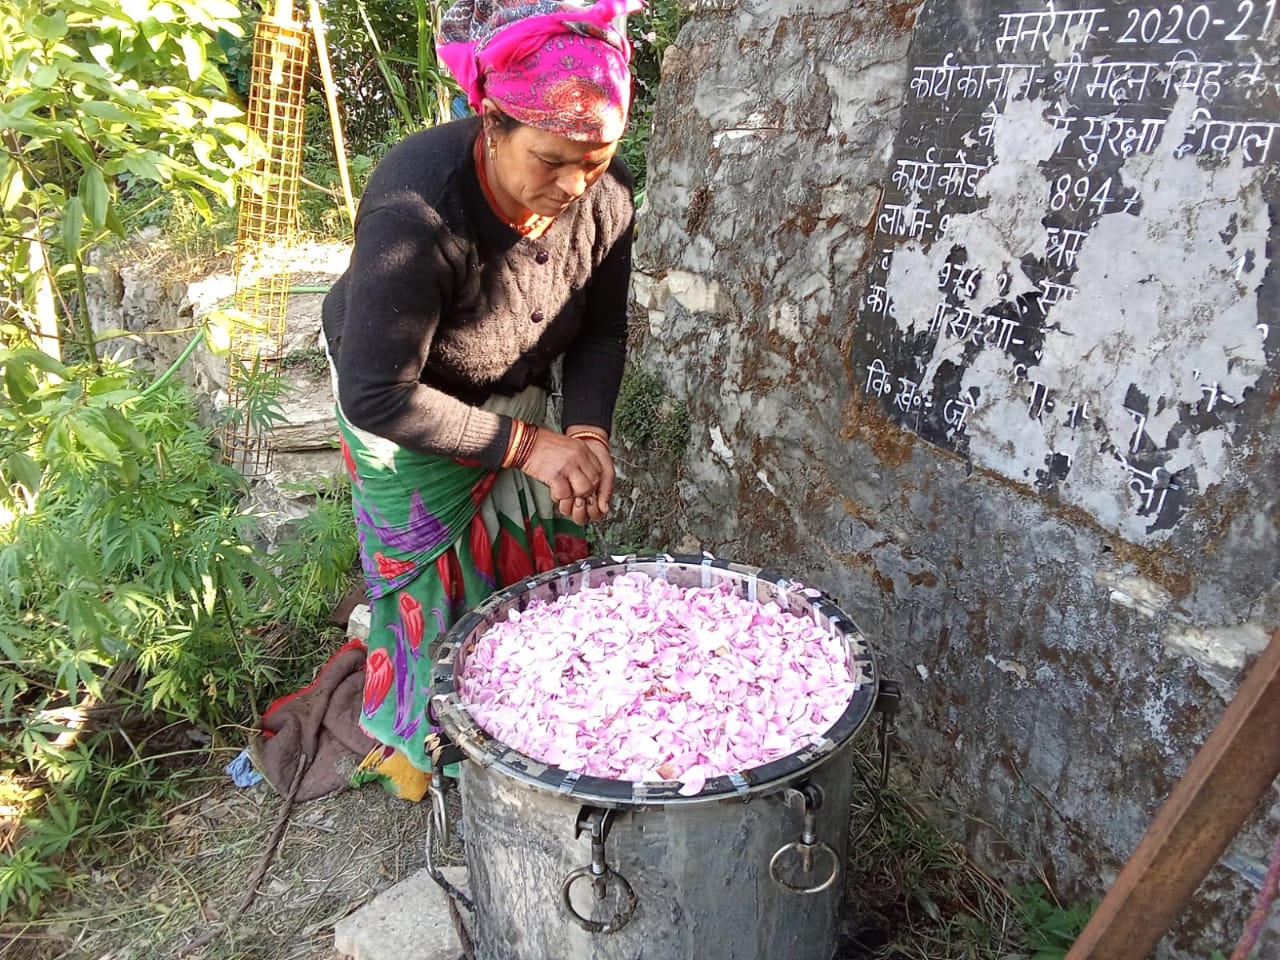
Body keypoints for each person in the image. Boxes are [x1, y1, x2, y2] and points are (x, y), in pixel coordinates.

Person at [316, 0, 644, 798]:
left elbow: (601, 332)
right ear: (489, 122)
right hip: (404, 399)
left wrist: (587, 433)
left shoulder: (606, 199)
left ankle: (519, 710)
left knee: (532, 544)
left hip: (512, 384)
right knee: (428, 575)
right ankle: (418, 737)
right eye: (550, 158)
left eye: (596, 159)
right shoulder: (418, 203)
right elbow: (377, 394)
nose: (573, 184)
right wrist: (531, 446)